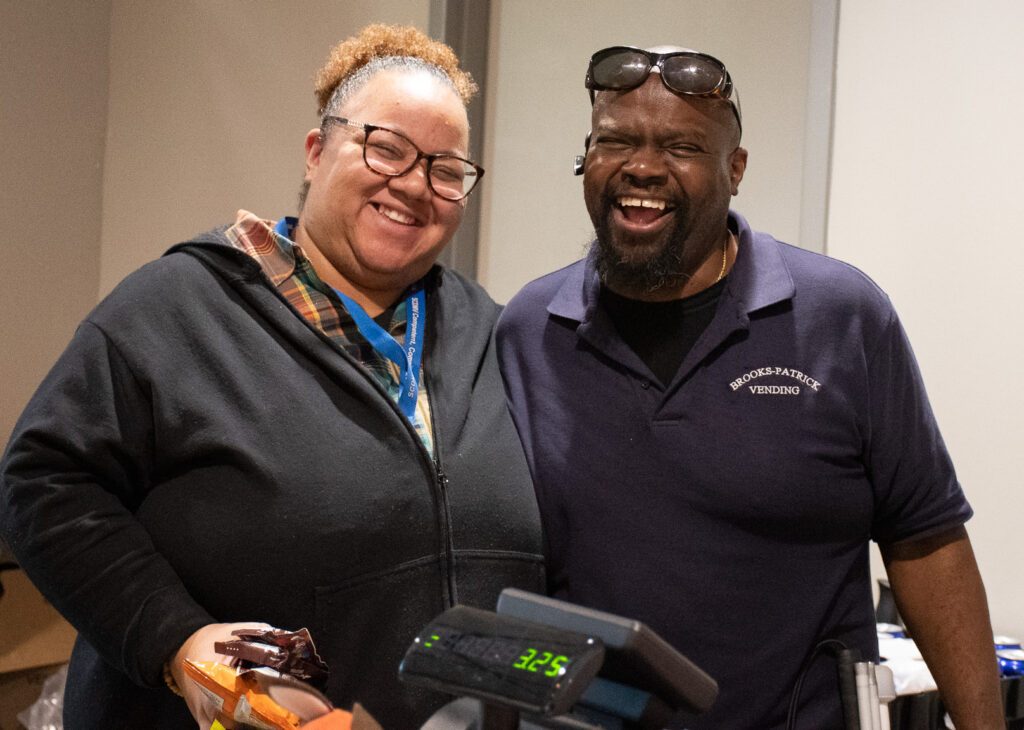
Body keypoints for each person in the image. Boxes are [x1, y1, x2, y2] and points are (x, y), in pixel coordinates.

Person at [0, 24, 544, 729]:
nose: (414, 184)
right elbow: (42, 484)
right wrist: (180, 643)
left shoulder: (488, 331)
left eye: (445, 169)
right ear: (317, 151)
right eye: (386, 148)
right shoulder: (173, 311)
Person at [496, 44, 1005, 729]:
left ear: (735, 169)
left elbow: (926, 541)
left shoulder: (841, 315)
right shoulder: (530, 330)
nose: (642, 167)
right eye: (616, 140)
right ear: (587, 158)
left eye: (682, 146)